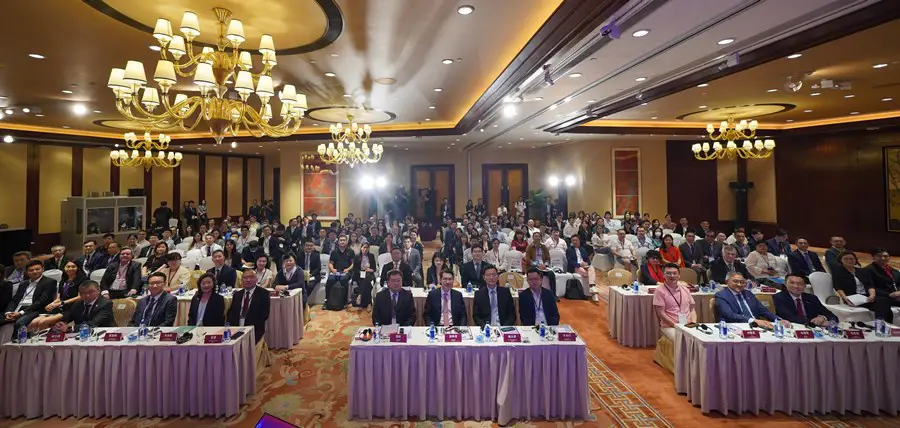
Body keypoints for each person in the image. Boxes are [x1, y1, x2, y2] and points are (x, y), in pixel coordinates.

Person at [832, 251, 891, 322]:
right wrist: (845, 298)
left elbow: (869, 285)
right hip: (852, 298)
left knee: (884, 302)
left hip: (865, 297)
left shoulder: (861, 271)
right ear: (841, 260)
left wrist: (872, 295)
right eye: (846, 259)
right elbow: (838, 287)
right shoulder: (838, 272)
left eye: (851, 259)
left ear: (855, 260)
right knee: (881, 305)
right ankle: (880, 324)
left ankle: (885, 324)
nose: (849, 261)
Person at [714, 272, 788, 329]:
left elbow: (763, 310)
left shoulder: (748, 294)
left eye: (742, 282)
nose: (739, 284)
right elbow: (730, 315)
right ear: (727, 282)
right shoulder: (721, 295)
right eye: (735, 281)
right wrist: (753, 320)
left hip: (757, 327)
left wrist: (778, 319)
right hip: (736, 327)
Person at [2, 260, 57, 334]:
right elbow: (14, 300)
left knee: (20, 322)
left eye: (37, 269)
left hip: (35, 309)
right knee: (3, 319)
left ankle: (17, 340)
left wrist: (20, 313)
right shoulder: (23, 283)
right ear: (27, 272)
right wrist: (8, 312)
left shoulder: (49, 282)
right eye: (31, 270)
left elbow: (42, 301)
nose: (35, 272)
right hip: (19, 308)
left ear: (43, 269)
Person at [652, 263, 697, 340]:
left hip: (688, 325)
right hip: (670, 326)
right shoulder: (659, 291)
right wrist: (676, 325)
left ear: (679, 275)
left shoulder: (685, 289)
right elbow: (661, 313)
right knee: (682, 339)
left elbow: (692, 310)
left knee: (700, 338)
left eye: (674, 273)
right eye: (668, 273)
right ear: (664, 275)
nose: (672, 276)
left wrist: (693, 323)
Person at [226, 269, 271, 342]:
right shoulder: (237, 295)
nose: (248, 280)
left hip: (254, 329)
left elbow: (264, 314)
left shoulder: (263, 294)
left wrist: (247, 326)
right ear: (241, 280)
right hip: (236, 328)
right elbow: (232, 312)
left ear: (256, 279)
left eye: (251, 277)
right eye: (245, 278)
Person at [326, 235, 355, 307]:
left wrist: (347, 269)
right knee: (330, 280)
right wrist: (332, 269)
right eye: (341, 240)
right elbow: (330, 263)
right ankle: (327, 301)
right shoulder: (334, 252)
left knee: (343, 280)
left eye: (344, 240)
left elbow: (353, 264)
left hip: (346, 272)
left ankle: (344, 301)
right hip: (336, 272)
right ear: (338, 242)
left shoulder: (351, 251)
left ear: (347, 242)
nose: (342, 242)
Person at [351, 243, 377, 310]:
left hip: (369, 273)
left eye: (367, 248)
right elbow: (354, 269)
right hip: (359, 274)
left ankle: (360, 295)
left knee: (367, 277)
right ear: (361, 248)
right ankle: (369, 304)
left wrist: (370, 270)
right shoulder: (357, 256)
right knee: (368, 285)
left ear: (368, 249)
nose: (365, 249)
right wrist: (361, 272)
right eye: (364, 247)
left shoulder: (371, 256)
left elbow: (374, 268)